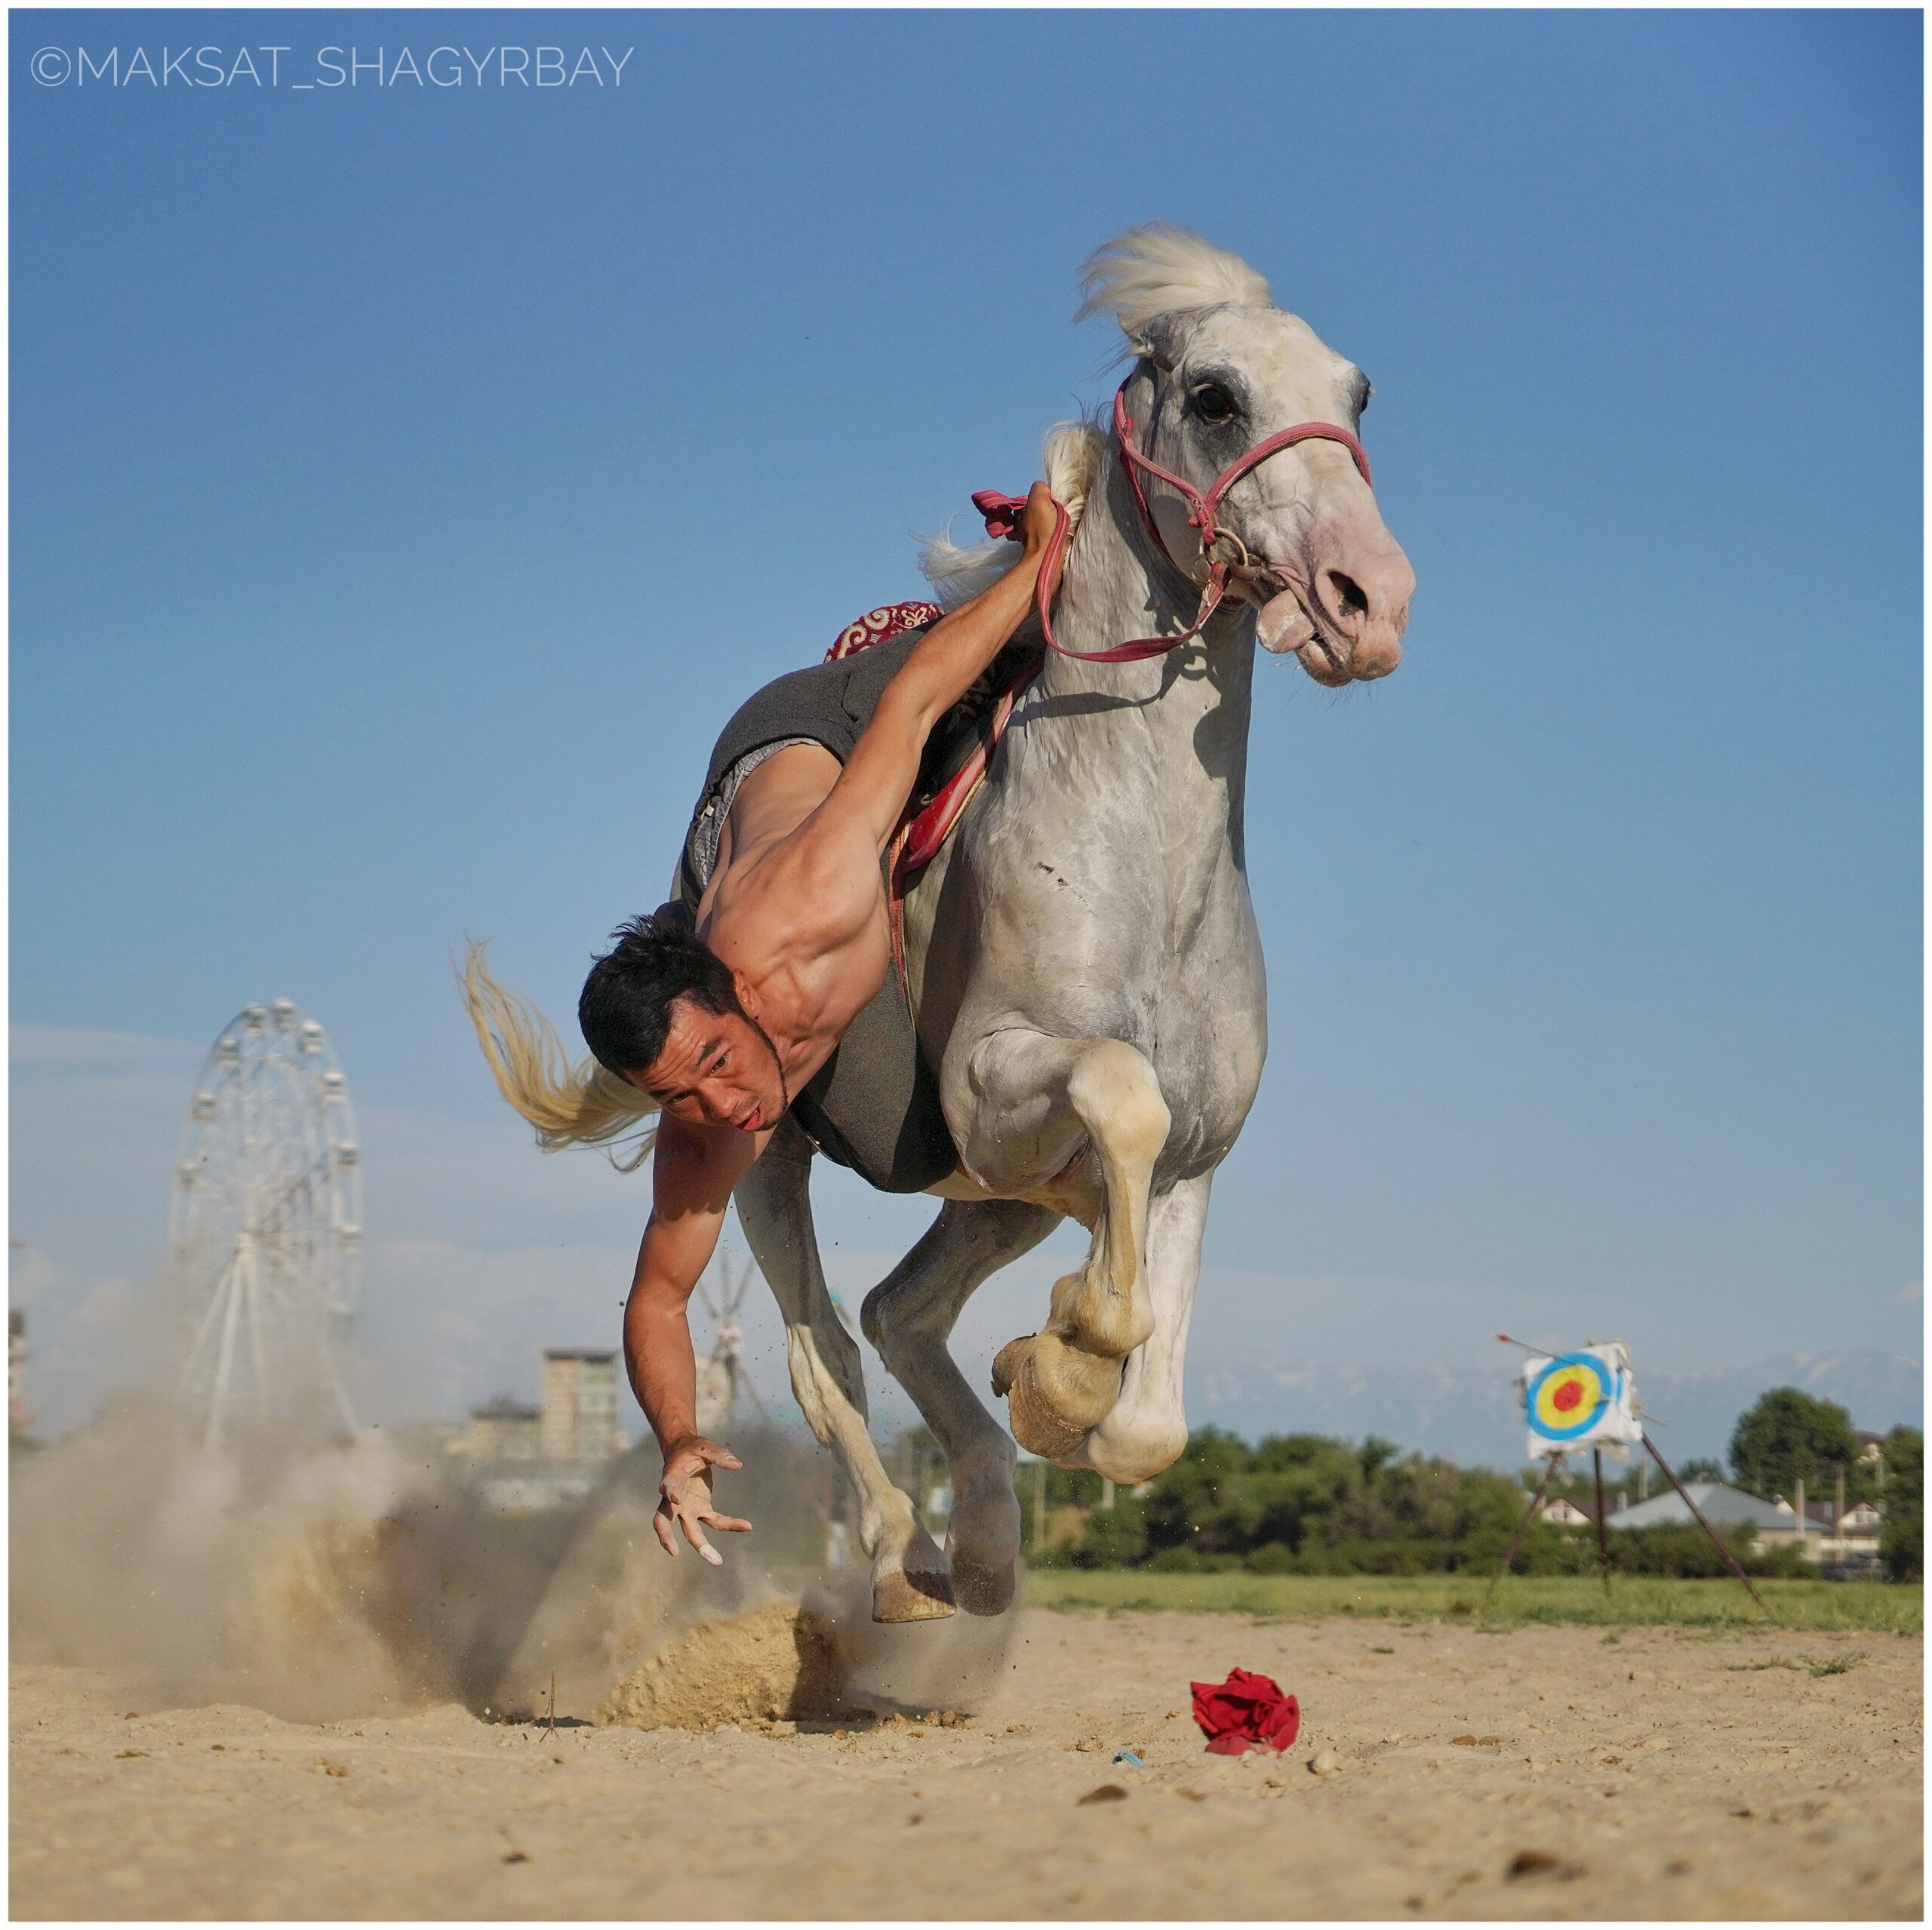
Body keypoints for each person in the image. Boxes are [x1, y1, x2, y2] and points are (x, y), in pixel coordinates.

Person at [580, 483, 1059, 1565]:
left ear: (732, 991)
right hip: (733, 846)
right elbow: (658, 1302)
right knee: (867, 1156)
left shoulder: (817, 895)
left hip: (806, 728)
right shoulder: (704, 1124)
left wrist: (1036, 562)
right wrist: (678, 1437)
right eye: (677, 1096)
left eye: (710, 1059)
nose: (721, 1103)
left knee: (1021, 637)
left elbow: (918, 697)